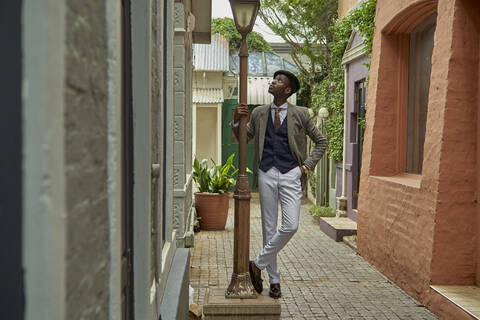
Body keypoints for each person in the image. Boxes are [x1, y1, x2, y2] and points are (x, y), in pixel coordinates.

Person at [231, 70, 327, 299]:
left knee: (291, 225)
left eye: (279, 80)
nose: (273, 82)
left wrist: (305, 167)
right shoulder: (260, 113)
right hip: (266, 172)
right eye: (274, 79)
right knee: (268, 227)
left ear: (288, 90)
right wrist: (236, 120)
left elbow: (321, 141)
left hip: (290, 174)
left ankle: (257, 264)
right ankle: (274, 281)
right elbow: (243, 138)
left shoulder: (301, 114)